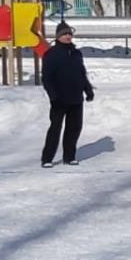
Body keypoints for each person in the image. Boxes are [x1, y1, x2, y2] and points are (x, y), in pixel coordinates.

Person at [40, 20, 94, 167]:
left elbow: (81, 73)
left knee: (74, 128)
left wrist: (88, 90)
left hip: (76, 98)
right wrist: (53, 96)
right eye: (64, 34)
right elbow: (46, 78)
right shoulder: (51, 54)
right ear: (58, 37)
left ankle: (69, 156)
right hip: (59, 99)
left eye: (69, 33)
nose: (68, 36)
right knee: (55, 129)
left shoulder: (76, 53)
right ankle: (47, 158)